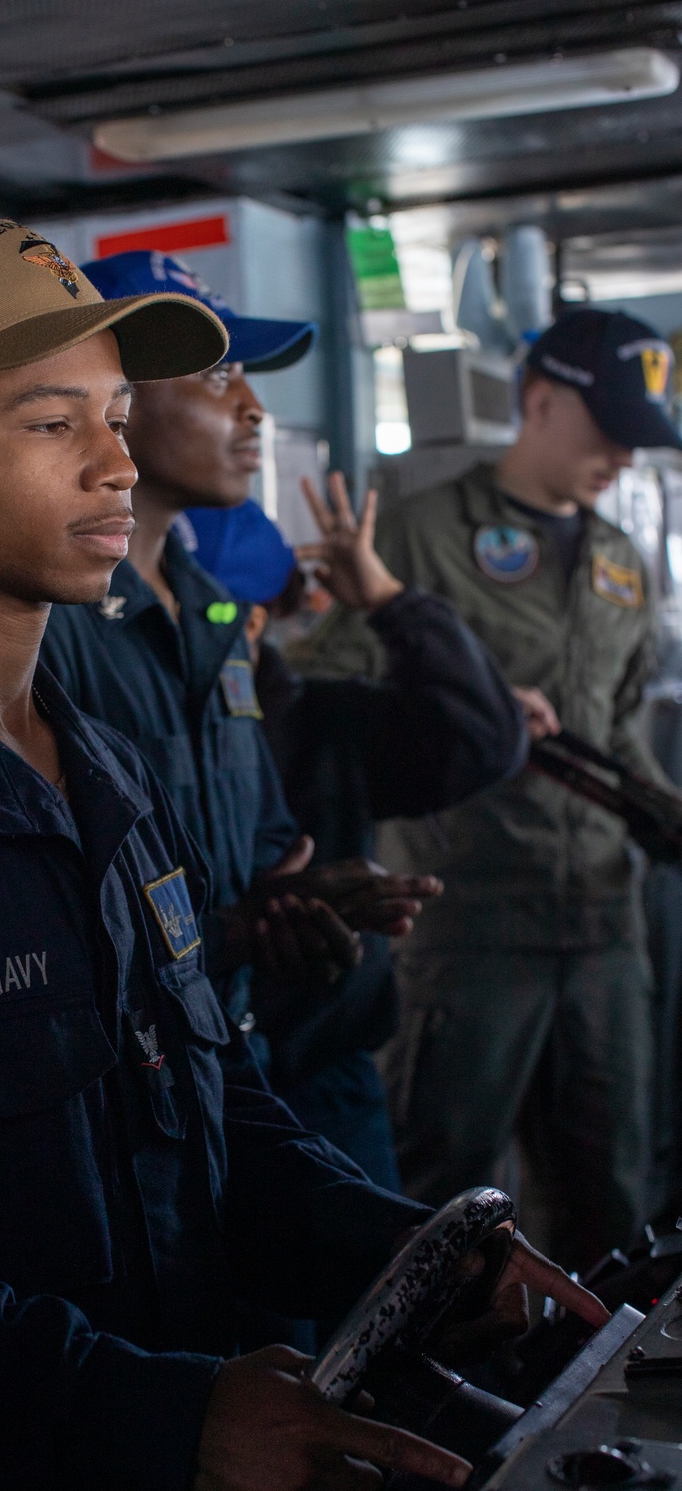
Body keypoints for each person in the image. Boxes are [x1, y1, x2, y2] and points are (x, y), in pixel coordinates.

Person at [0, 219, 605, 1490]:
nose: (116, 465)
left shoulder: (107, 768)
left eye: (118, 416)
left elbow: (214, 1108)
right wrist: (158, 1415)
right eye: (54, 422)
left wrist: (419, 1254)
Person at [290, 307, 681, 1271]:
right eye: (610, 433)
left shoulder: (621, 560)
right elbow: (323, 705)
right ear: (538, 401)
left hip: (601, 924)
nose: (623, 461)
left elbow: (621, 722)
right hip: (469, 929)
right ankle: (420, 1415)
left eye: (640, 442)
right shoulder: (418, 534)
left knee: (610, 1198)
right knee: (439, 1201)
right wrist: (468, 699)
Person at [42, 250, 446, 1069]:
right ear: (112, 392)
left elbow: (259, 835)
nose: (256, 409)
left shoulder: (214, 612)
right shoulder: (51, 622)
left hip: (231, 1056)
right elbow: (46, 909)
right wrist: (231, 930)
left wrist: (294, 898)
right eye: (221, 375)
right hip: (116, 1069)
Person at [185, 486, 528, 1183]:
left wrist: (389, 602)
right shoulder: (116, 728)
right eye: (207, 609)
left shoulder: (325, 723)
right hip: (182, 1084)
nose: (229, 631)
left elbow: (483, 737)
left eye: (248, 613)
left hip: (322, 1077)